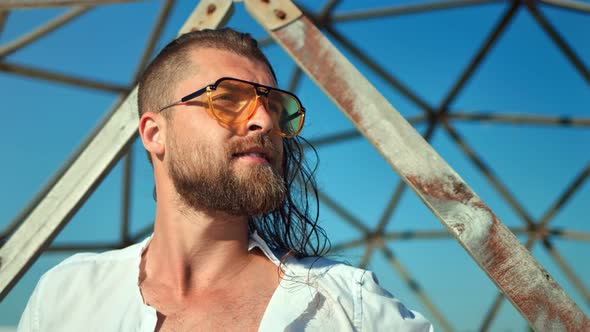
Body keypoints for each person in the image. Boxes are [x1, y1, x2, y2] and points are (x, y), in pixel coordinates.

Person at [18, 28, 433, 331]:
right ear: (154, 134)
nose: (263, 121)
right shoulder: (66, 296)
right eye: (228, 99)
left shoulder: (352, 307)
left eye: (275, 106)